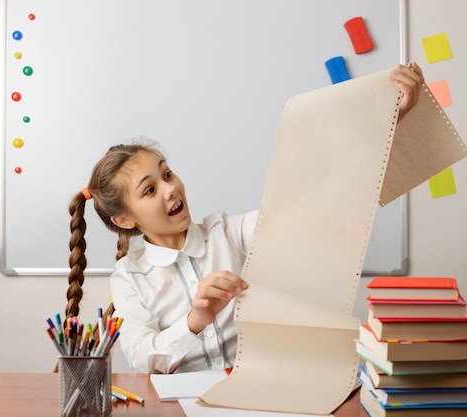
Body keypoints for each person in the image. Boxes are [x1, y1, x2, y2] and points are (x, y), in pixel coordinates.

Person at [65, 63, 425, 374]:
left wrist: (386, 121)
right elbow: (142, 359)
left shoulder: (229, 232)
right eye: (149, 190)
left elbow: (311, 203)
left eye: (168, 174)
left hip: (260, 392)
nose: (170, 189)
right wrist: (197, 319)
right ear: (126, 219)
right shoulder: (130, 276)